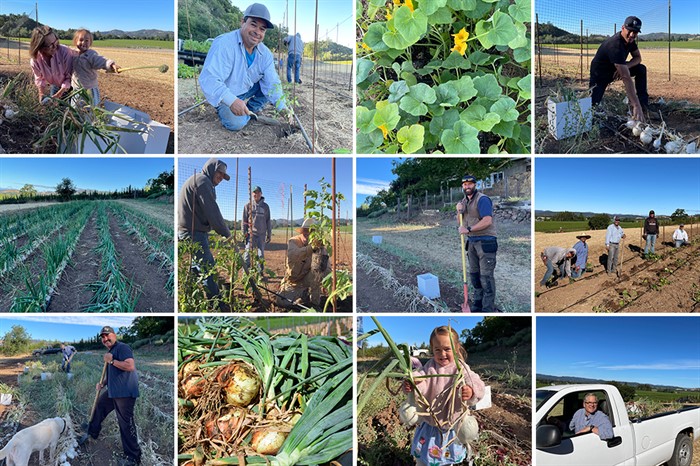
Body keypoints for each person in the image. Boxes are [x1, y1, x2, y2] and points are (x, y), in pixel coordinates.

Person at [199, 3, 294, 131]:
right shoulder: (225, 44)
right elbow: (209, 79)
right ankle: (233, 110)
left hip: (246, 89)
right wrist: (232, 101)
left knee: (269, 88)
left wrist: (282, 107)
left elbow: (272, 83)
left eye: (262, 29)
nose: (257, 32)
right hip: (227, 92)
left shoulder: (265, 54)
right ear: (243, 22)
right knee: (236, 124)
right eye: (253, 25)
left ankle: (251, 110)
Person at [403, 326, 485, 466]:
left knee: (447, 461)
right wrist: (412, 383)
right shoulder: (430, 366)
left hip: (451, 428)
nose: (442, 354)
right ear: (432, 349)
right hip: (430, 425)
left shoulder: (461, 367)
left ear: (457, 348)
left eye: (447, 349)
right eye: (437, 350)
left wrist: (471, 391)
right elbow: (421, 377)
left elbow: (476, 382)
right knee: (422, 460)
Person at [80, 326, 141, 465]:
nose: (105, 339)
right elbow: (114, 373)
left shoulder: (123, 347)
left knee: (125, 424)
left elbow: (130, 366)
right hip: (113, 390)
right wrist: (103, 383)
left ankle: (133, 458)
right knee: (100, 406)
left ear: (114, 335)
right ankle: (92, 430)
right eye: (102, 337)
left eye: (107, 335)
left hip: (125, 393)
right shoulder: (111, 351)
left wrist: (112, 361)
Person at [178, 158, 232, 297]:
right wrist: (227, 233)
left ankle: (190, 292)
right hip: (194, 232)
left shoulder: (199, 179)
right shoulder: (203, 182)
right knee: (209, 269)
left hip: (187, 230)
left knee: (198, 265)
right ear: (211, 170)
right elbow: (213, 212)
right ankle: (215, 303)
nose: (220, 178)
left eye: (223, 176)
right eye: (219, 174)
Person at [589, 16, 648, 122]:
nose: (631, 35)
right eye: (629, 31)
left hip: (616, 69)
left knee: (641, 69)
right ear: (623, 28)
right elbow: (626, 77)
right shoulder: (615, 44)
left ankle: (644, 106)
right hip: (600, 74)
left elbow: (638, 58)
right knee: (592, 108)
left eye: (635, 32)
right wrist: (635, 105)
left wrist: (627, 66)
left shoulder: (631, 41)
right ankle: (638, 107)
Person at [456, 175, 498, 312]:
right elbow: (460, 222)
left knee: (486, 278)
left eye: (470, 184)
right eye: (464, 185)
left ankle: (487, 308)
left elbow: (487, 221)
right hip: (472, 242)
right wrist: (459, 211)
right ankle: (477, 305)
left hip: (486, 242)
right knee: (475, 276)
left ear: (475, 185)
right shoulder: (463, 202)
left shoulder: (483, 199)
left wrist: (468, 229)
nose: (467, 186)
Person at [277, 219, 328, 307]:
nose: (307, 233)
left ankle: (315, 303)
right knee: (282, 301)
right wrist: (310, 248)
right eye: (305, 231)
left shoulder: (318, 245)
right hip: (292, 281)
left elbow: (327, 267)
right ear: (301, 232)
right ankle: (303, 294)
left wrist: (326, 282)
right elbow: (293, 255)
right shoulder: (293, 241)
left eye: (311, 231)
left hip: (306, 279)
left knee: (317, 274)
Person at [71, 29, 119, 106]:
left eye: (86, 41)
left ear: (90, 43)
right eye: (81, 40)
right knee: (76, 110)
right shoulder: (72, 54)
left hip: (89, 89)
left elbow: (101, 60)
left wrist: (111, 65)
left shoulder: (91, 55)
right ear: (75, 41)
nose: (83, 42)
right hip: (76, 89)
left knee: (91, 110)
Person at [29, 26, 74, 105]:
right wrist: (41, 94)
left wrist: (58, 95)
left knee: (73, 111)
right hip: (56, 85)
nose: (55, 46)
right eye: (50, 45)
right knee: (55, 111)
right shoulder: (35, 61)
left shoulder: (65, 52)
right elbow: (40, 79)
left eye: (56, 41)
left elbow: (69, 77)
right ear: (40, 47)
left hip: (73, 86)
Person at [242, 185, 272, 272]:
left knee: (260, 255)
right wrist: (244, 233)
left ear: (261, 193)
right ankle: (246, 274)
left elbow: (268, 221)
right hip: (250, 234)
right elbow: (244, 220)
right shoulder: (248, 206)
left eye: (258, 192)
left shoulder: (265, 207)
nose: (256, 194)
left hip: (261, 235)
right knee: (247, 254)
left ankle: (260, 273)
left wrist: (269, 234)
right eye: (254, 192)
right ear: (252, 194)